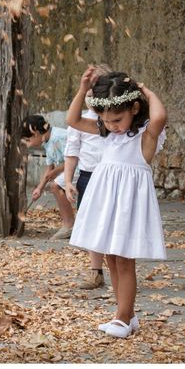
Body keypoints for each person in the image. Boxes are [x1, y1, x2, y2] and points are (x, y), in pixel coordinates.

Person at [66, 67, 167, 338]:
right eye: (106, 119)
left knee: (124, 260)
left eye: (117, 119)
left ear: (134, 108)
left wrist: (143, 89)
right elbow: (73, 120)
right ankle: (126, 314)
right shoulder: (108, 133)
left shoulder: (145, 137)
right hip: (107, 202)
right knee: (111, 257)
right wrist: (82, 89)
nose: (111, 125)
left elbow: (159, 115)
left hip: (128, 205)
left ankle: (123, 317)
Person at [63, 95, 106, 289]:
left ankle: (122, 270)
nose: (92, 99)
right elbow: (72, 153)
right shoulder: (79, 121)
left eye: (97, 94)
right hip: (88, 176)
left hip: (111, 175)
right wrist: (68, 181)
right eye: (89, 95)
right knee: (92, 224)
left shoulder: (115, 120)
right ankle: (96, 271)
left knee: (114, 222)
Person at [21, 115, 75, 239]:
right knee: (54, 185)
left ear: (36, 133)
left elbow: (73, 159)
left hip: (78, 168)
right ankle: (68, 223)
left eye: (28, 140)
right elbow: (49, 168)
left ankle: (69, 225)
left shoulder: (59, 137)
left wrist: (56, 171)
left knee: (55, 186)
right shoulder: (47, 141)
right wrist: (39, 189)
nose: (28, 145)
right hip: (67, 170)